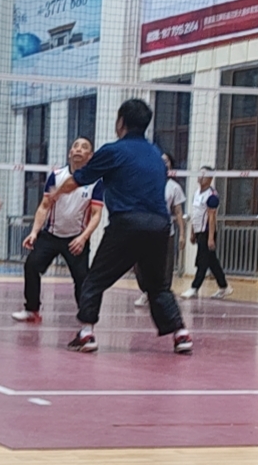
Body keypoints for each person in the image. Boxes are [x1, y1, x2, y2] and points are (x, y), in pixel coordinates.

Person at [43, 98, 191, 356]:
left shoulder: (113, 151)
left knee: (94, 279)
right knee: (157, 285)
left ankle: (86, 333)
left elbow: (78, 179)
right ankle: (180, 334)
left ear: (121, 122)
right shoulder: (156, 155)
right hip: (159, 226)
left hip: (128, 223)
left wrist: (55, 194)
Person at [13, 137, 102, 323]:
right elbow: (44, 206)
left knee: (82, 279)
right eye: (75, 146)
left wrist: (83, 238)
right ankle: (32, 310)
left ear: (90, 156)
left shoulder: (95, 182)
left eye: (84, 147)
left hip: (76, 238)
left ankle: (86, 320)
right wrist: (34, 232)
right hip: (51, 235)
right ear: (70, 153)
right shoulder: (56, 176)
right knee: (31, 265)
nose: (78, 149)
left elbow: (96, 214)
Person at [135, 149, 184, 307]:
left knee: (165, 265)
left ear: (170, 165)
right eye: (160, 160)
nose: (163, 163)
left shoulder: (174, 187)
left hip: (165, 231)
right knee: (140, 263)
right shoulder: (145, 182)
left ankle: (162, 296)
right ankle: (145, 292)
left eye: (166, 161)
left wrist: (182, 234)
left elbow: (178, 211)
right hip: (145, 229)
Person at [182, 168, 231, 298]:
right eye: (199, 174)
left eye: (203, 175)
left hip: (207, 232)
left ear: (210, 178)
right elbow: (195, 214)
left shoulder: (212, 195)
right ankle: (224, 286)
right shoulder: (196, 193)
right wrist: (192, 232)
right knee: (212, 261)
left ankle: (194, 288)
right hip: (199, 231)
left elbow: (211, 217)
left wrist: (210, 238)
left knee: (202, 261)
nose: (200, 176)